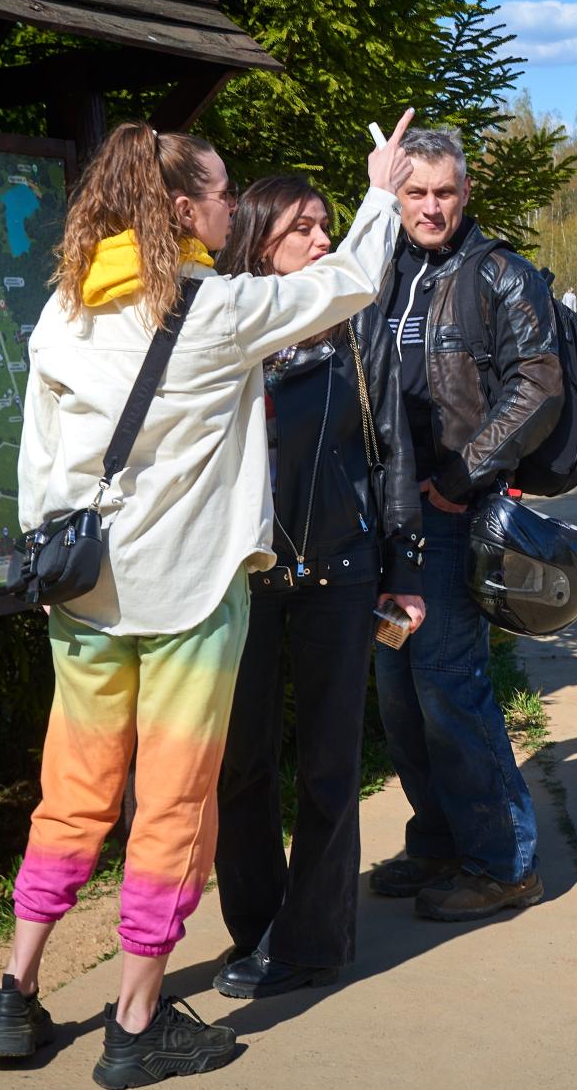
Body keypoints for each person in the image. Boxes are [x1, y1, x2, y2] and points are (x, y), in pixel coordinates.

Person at [0, 117, 410, 1083]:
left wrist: (54, 562)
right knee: (173, 806)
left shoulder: (65, 308)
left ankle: (16, 993)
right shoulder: (214, 309)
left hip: (84, 598)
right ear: (181, 208)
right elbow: (347, 281)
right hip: (189, 600)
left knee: (72, 795)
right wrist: (380, 191)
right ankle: (137, 1023)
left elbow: (39, 457)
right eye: (220, 194)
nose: (230, 208)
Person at [211, 176, 426, 1001]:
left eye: (328, 226)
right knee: (242, 765)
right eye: (303, 227)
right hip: (246, 575)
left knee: (331, 766)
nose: (322, 240)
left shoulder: (355, 324)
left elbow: (393, 448)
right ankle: (258, 926)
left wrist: (404, 571)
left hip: (341, 568)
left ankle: (313, 942)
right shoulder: (225, 323)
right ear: (260, 237)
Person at [373, 127, 562, 921]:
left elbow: (538, 387)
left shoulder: (501, 275)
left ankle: (503, 862)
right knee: (397, 690)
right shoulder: (380, 268)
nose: (431, 206)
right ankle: (441, 839)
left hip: (450, 513)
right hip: (386, 517)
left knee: (449, 687)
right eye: (415, 192)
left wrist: (461, 477)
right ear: (396, 197)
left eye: (444, 191)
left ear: (465, 192)